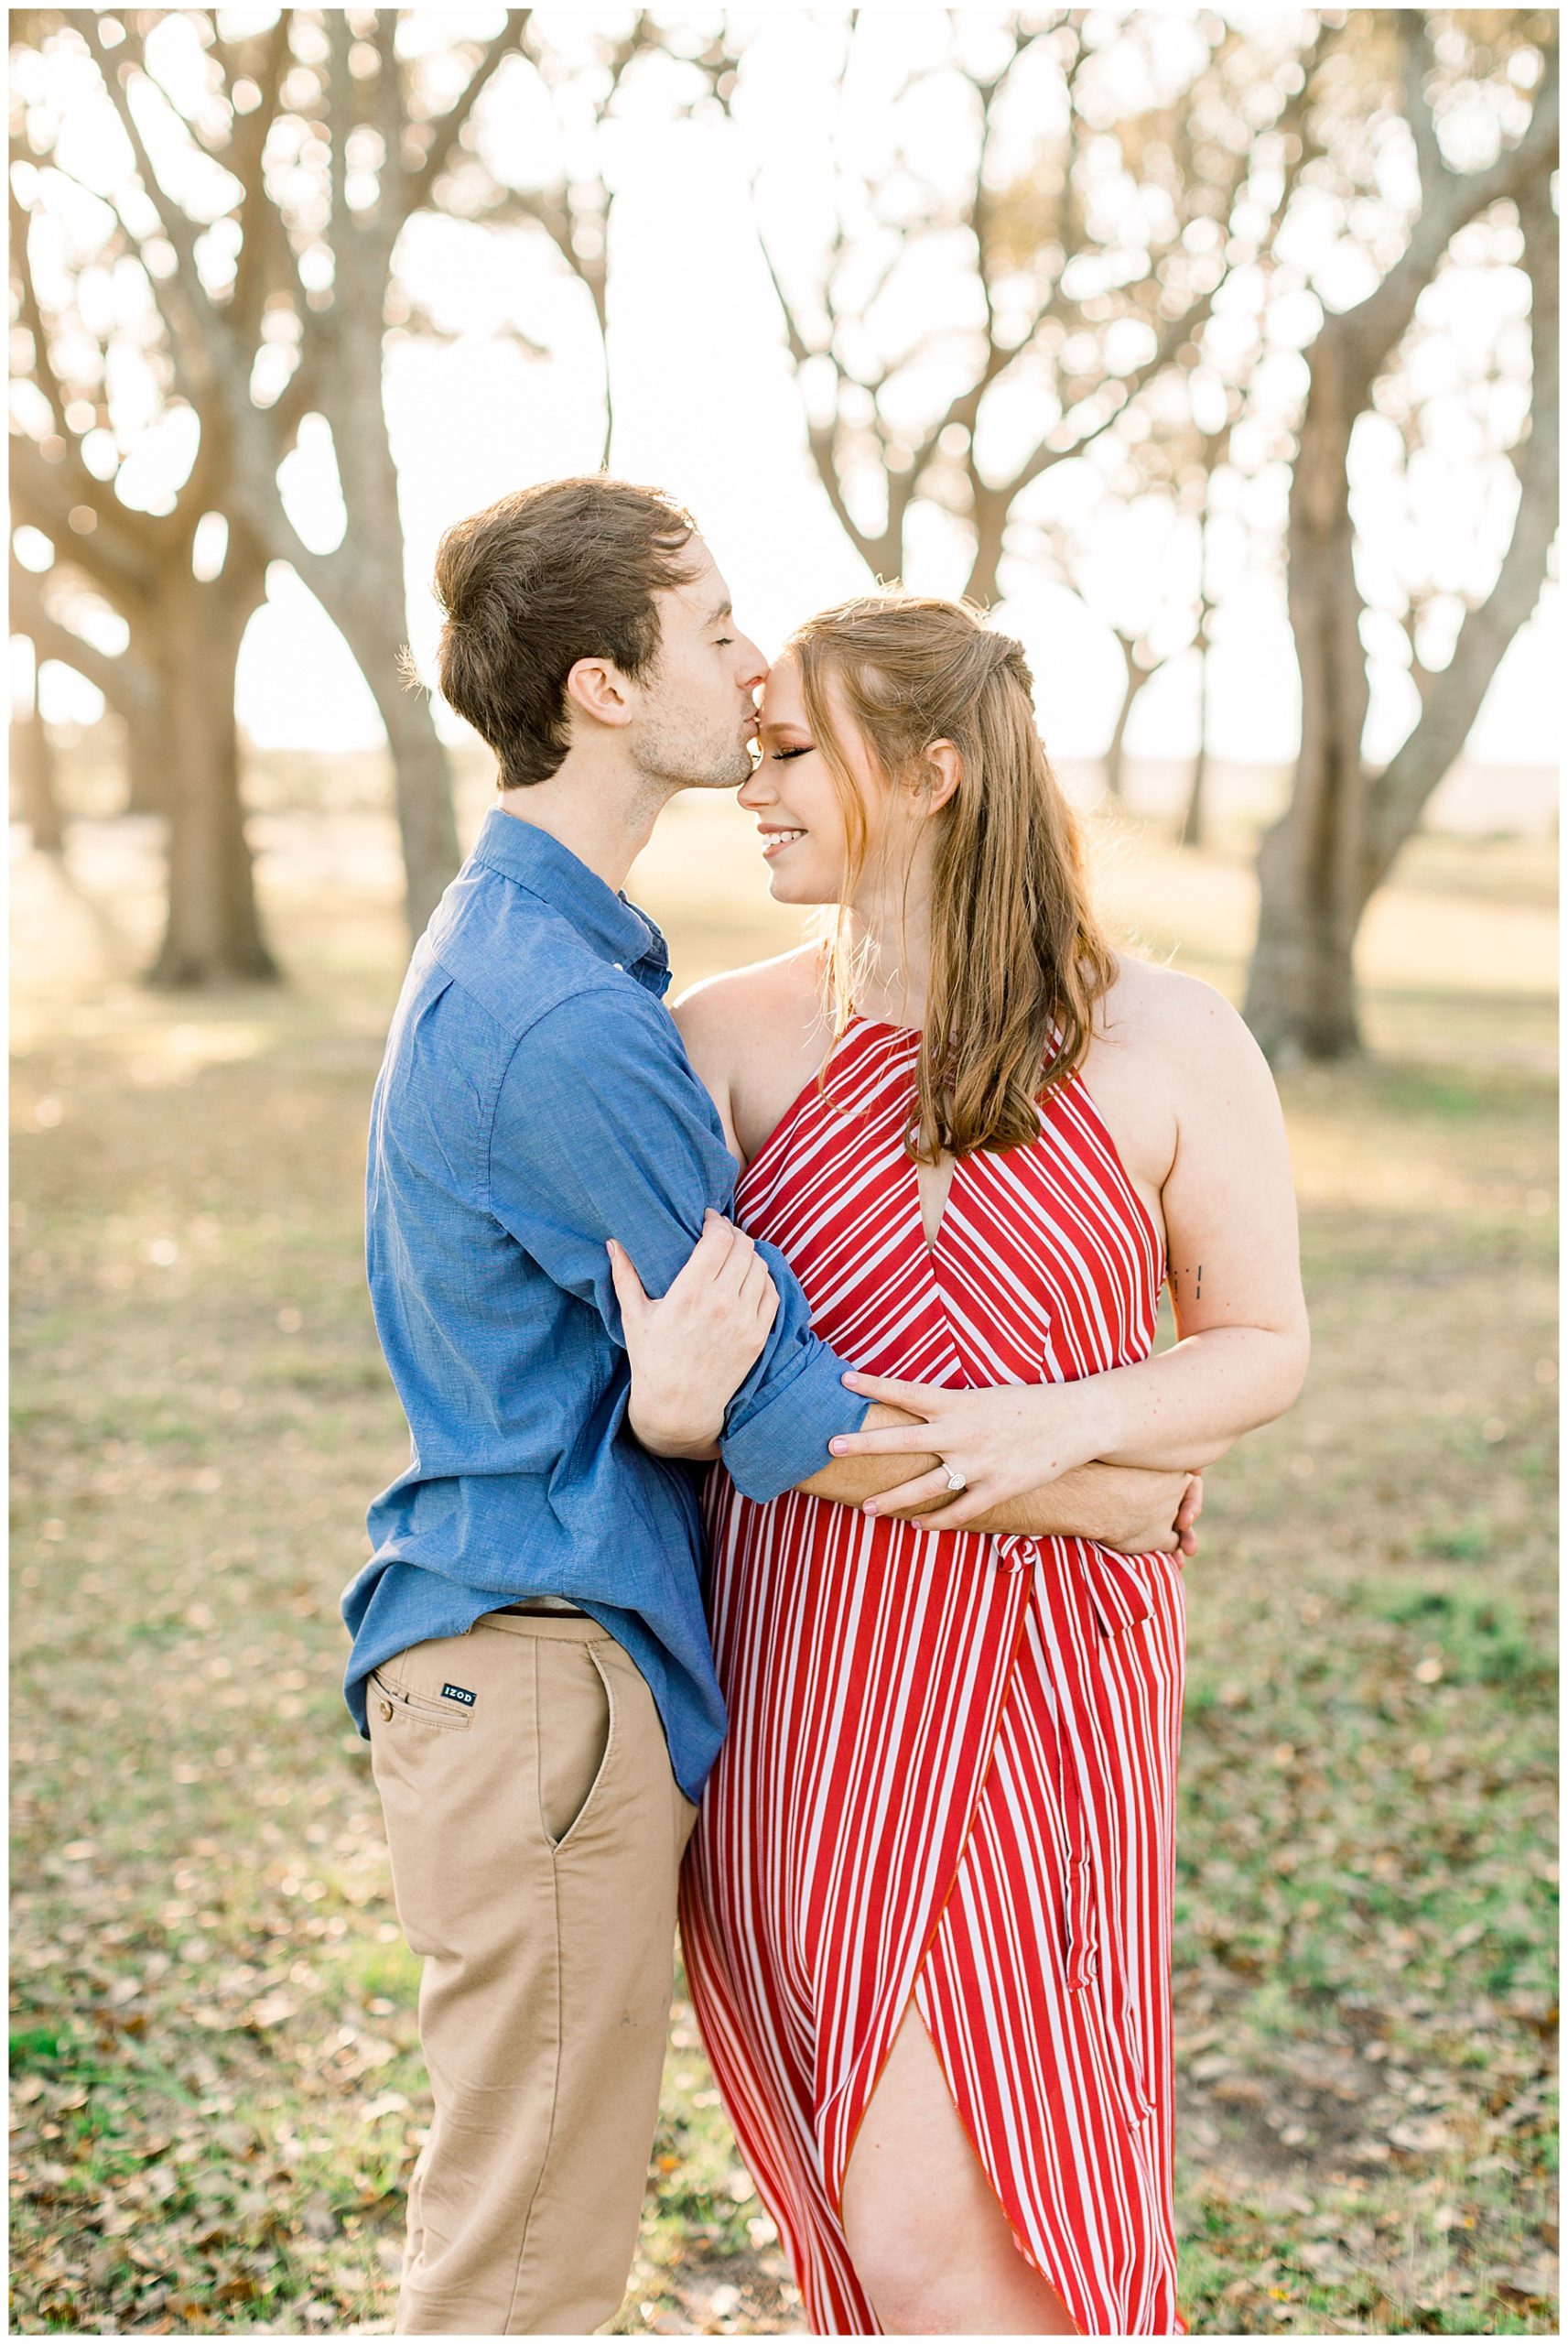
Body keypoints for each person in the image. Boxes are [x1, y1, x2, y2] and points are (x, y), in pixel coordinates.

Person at [341, 479, 1204, 2336]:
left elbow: (710, 1387)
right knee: (521, 2272)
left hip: (554, 1660)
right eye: (716, 628)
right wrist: (1106, 1487)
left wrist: (684, 1407)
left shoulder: (556, 953)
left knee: (538, 2241)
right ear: (598, 686)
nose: (745, 674)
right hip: (540, 1662)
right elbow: (779, 1406)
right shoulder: (572, 1015)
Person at [610, 593, 1310, 2336]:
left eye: (790, 755)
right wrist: (678, 1416)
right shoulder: (722, 1043)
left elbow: (1260, 1343)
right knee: (887, 2231)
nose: (748, 788)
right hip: (808, 1684)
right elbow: (655, 1370)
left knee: (995, 2212)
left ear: (930, 774)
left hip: (1058, 1702)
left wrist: (1062, 1424)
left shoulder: (1166, 1038)